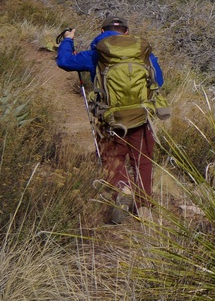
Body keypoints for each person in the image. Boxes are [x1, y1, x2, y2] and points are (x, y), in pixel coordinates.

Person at [57, 17, 165, 220]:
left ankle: (122, 192)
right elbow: (158, 80)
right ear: (126, 32)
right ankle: (143, 207)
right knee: (142, 160)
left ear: (101, 30)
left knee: (113, 157)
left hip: (109, 117)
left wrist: (68, 40)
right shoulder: (142, 53)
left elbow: (64, 62)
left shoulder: (97, 54)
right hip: (140, 117)